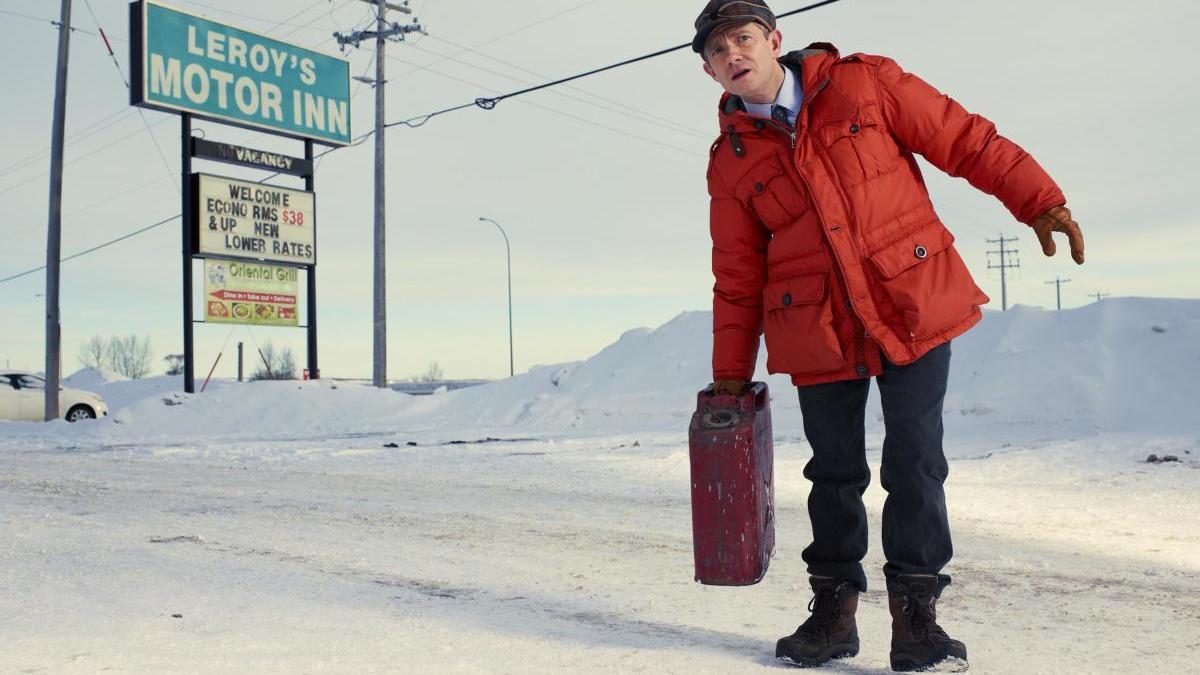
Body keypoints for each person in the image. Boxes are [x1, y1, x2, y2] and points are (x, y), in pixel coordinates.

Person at [693, 0, 1085, 671]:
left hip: (913, 300)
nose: (734, 55)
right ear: (708, 72)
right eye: (717, 51)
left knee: (916, 461)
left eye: (743, 39)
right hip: (815, 325)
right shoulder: (730, 160)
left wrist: (1038, 198)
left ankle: (917, 618)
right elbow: (736, 276)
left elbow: (964, 138)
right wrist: (730, 373)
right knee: (834, 472)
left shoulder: (863, 82)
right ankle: (834, 613)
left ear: (774, 40)